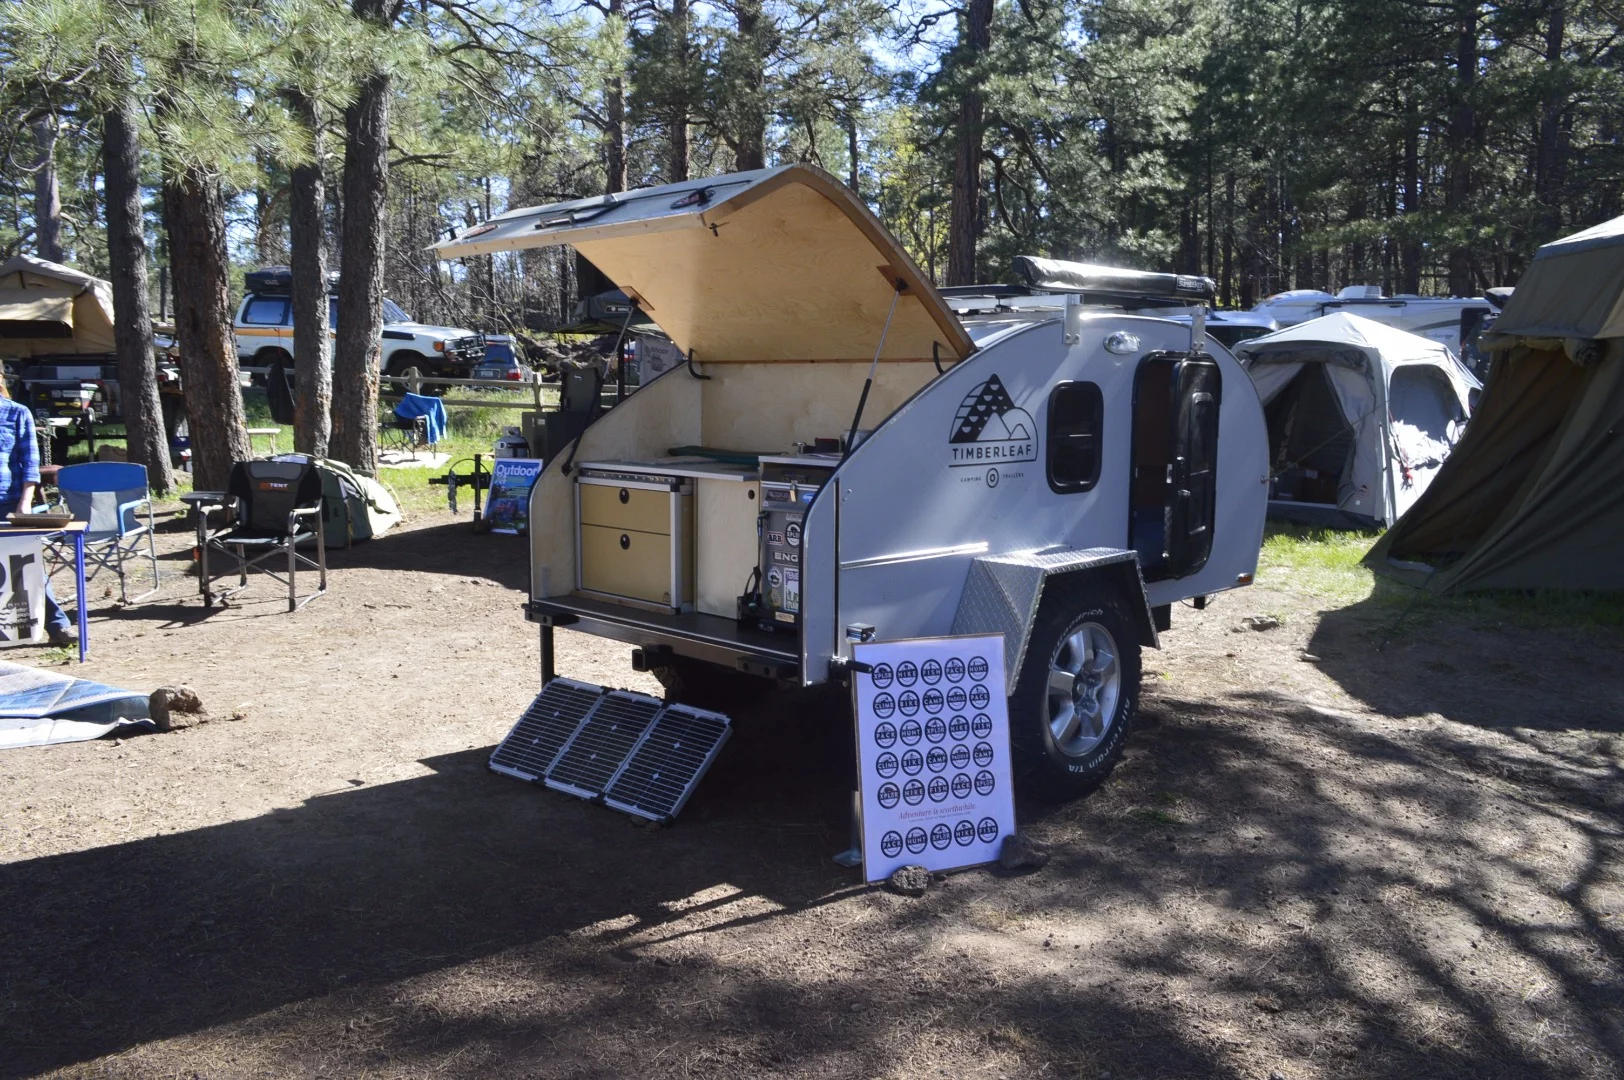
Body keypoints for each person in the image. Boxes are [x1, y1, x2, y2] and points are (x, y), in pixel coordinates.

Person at [0, 380, 76, 647]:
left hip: (8, 501)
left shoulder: (16, 412)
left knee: (27, 566)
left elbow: (30, 463)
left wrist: (25, 501)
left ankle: (58, 626)